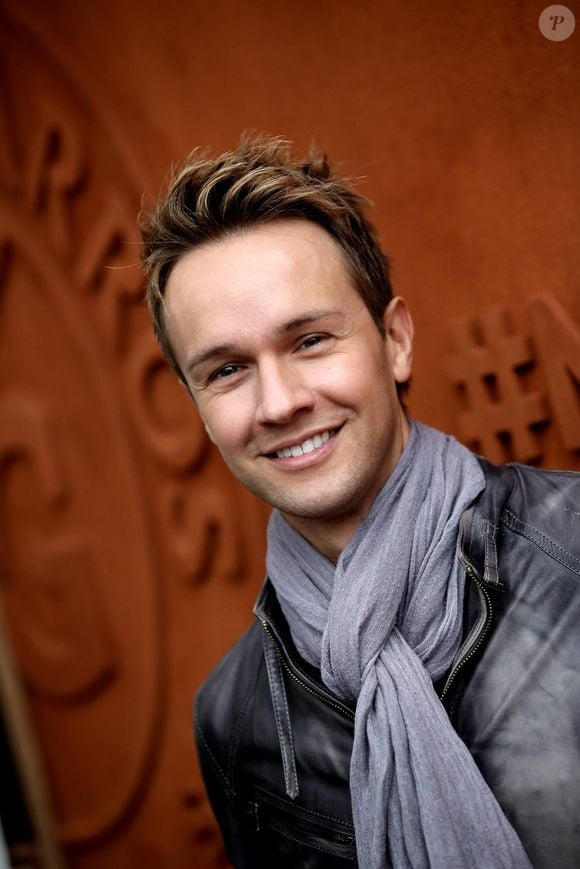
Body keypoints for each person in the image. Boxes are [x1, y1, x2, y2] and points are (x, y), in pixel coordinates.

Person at [140, 135, 580, 869]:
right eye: (226, 370)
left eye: (310, 339)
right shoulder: (235, 718)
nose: (279, 402)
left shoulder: (572, 554)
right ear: (198, 407)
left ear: (396, 340)